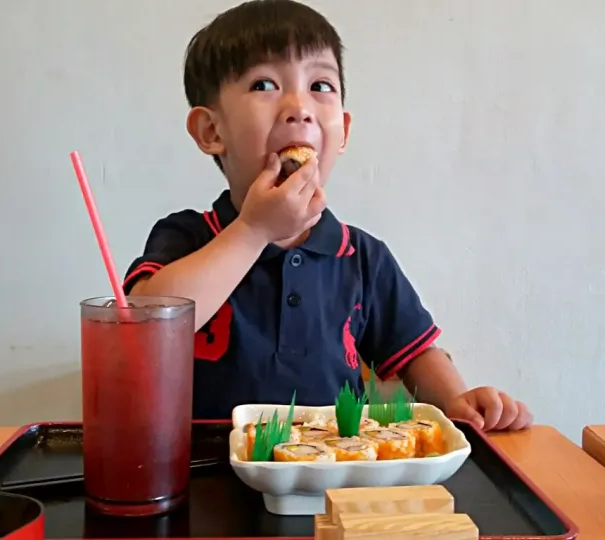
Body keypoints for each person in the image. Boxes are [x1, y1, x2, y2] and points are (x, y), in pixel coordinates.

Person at [123, 0, 532, 432]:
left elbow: (414, 353)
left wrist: (457, 400)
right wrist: (253, 230)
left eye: (320, 85)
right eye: (264, 84)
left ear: (344, 132)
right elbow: (147, 323)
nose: (299, 107)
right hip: (204, 471)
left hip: (334, 470)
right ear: (211, 131)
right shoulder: (188, 236)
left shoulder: (363, 257)